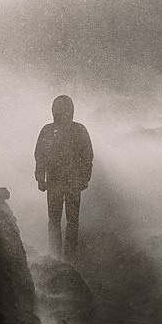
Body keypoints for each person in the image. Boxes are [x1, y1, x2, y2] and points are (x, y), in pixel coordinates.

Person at [35, 94, 93, 260]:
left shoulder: (49, 130)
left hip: (62, 182)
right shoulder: (77, 129)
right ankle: (64, 257)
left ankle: (61, 257)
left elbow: (87, 156)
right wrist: (40, 177)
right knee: (66, 222)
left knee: (60, 221)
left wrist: (40, 177)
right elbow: (87, 156)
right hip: (64, 182)